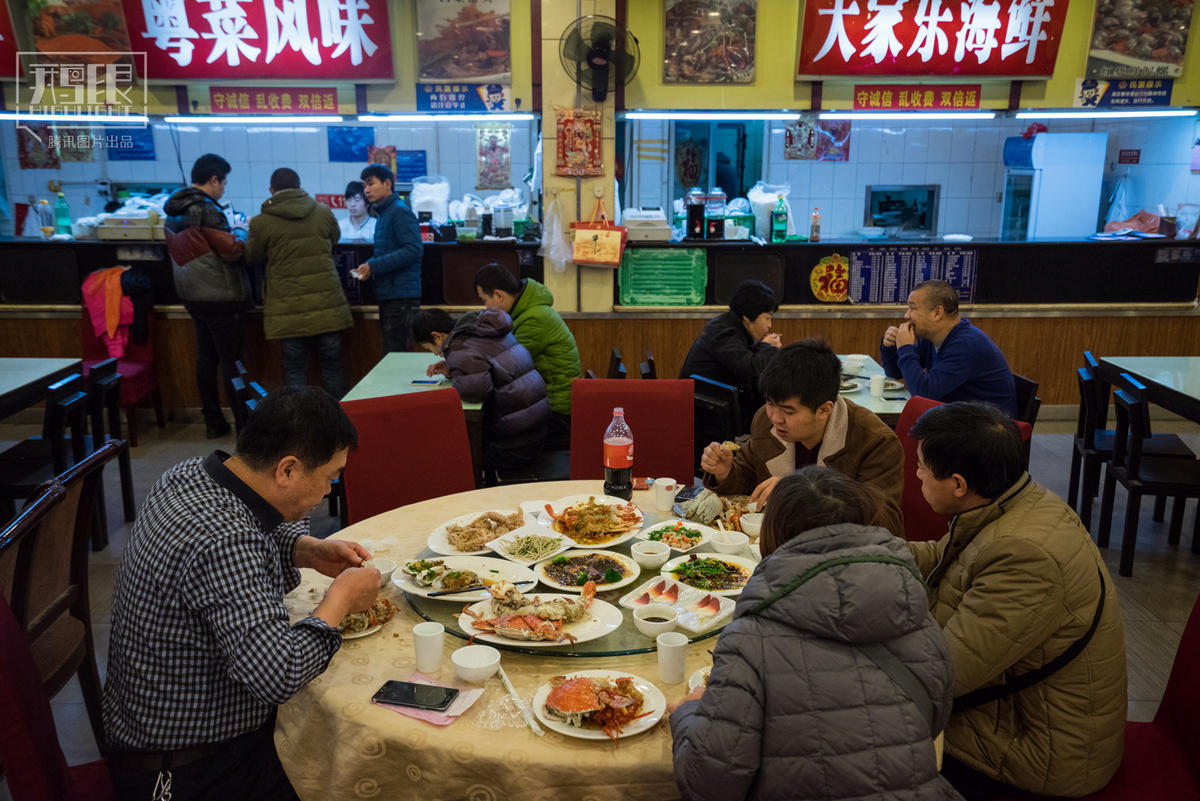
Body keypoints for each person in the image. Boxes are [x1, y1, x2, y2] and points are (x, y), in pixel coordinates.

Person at [102, 386, 381, 800]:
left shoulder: (189, 474)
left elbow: (254, 527)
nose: (327, 492)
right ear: (287, 470)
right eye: (329, 478)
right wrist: (338, 601)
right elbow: (278, 673)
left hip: (170, 724)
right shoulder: (225, 539)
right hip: (188, 765)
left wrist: (303, 548)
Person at [669, 467, 962, 801]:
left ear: (773, 534)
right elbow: (929, 722)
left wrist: (688, 712)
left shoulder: (750, 640)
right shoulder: (920, 620)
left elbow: (708, 784)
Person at [907, 401, 1126, 798]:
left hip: (1036, 754)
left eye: (921, 466)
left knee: (838, 738)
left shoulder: (1024, 556)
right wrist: (856, 549)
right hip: (1009, 710)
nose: (916, 474)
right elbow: (940, 556)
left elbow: (942, 675)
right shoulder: (1015, 500)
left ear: (958, 484)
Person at [700, 339, 904, 535]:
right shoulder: (765, 420)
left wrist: (803, 493)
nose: (776, 418)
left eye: (788, 412)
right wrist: (725, 472)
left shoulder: (874, 440)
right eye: (771, 403)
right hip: (777, 544)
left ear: (824, 410)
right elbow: (748, 478)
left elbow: (886, 523)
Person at [164, 153, 251, 439]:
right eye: (223, 183)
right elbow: (231, 251)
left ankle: (213, 421)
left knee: (205, 358)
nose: (223, 189)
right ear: (213, 180)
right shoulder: (207, 210)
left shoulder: (173, 210)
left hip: (192, 295)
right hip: (220, 296)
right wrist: (242, 234)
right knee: (231, 361)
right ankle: (243, 424)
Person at [246, 168, 352, 398]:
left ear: (271, 190)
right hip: (328, 304)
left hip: (288, 308)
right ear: (300, 187)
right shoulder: (324, 213)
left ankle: (301, 425)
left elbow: (252, 256)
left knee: (295, 370)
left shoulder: (261, 222)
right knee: (333, 366)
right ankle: (339, 420)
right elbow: (335, 239)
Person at [411, 307, 550, 474]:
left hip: (513, 447)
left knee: (446, 459)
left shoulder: (461, 347)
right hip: (536, 431)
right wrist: (454, 370)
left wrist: (457, 370)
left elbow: (475, 392)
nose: (434, 354)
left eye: (428, 347)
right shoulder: (481, 332)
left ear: (437, 336)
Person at [474, 264, 581, 447]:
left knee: (490, 435)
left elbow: (509, 367)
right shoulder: (525, 312)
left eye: (485, 300)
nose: (485, 307)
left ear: (499, 295)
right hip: (546, 401)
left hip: (558, 412)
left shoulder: (535, 318)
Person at [880, 280, 1017, 416]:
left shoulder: (965, 345)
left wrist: (905, 349)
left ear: (937, 313)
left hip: (990, 429)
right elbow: (895, 373)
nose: (906, 315)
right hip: (960, 419)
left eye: (912, 308)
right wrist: (891, 346)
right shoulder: (930, 338)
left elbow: (923, 394)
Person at [679, 279, 781, 430]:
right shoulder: (724, 332)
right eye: (767, 318)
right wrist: (767, 346)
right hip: (706, 414)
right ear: (747, 318)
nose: (769, 325)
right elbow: (750, 370)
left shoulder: (732, 328)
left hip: (717, 406)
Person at [351, 164, 422, 352]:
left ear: (387, 184)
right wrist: (368, 266)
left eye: (371, 184)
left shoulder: (399, 211)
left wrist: (374, 266)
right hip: (391, 296)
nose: (366, 190)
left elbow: (413, 249)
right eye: (364, 185)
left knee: (397, 358)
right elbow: (387, 251)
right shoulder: (384, 213)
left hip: (402, 299)